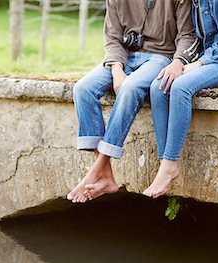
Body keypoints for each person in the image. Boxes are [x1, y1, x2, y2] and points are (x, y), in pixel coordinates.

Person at [67, 0, 199, 203]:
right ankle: (107, 175)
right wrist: (117, 69)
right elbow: (112, 38)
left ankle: (98, 168)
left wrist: (178, 61)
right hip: (123, 59)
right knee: (83, 89)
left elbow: (187, 34)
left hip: (160, 57)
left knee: (129, 88)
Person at [143, 0, 218, 198]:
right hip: (212, 61)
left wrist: (199, 63)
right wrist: (180, 62)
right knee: (159, 86)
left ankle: (170, 163)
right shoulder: (194, 2)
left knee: (181, 87)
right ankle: (164, 162)